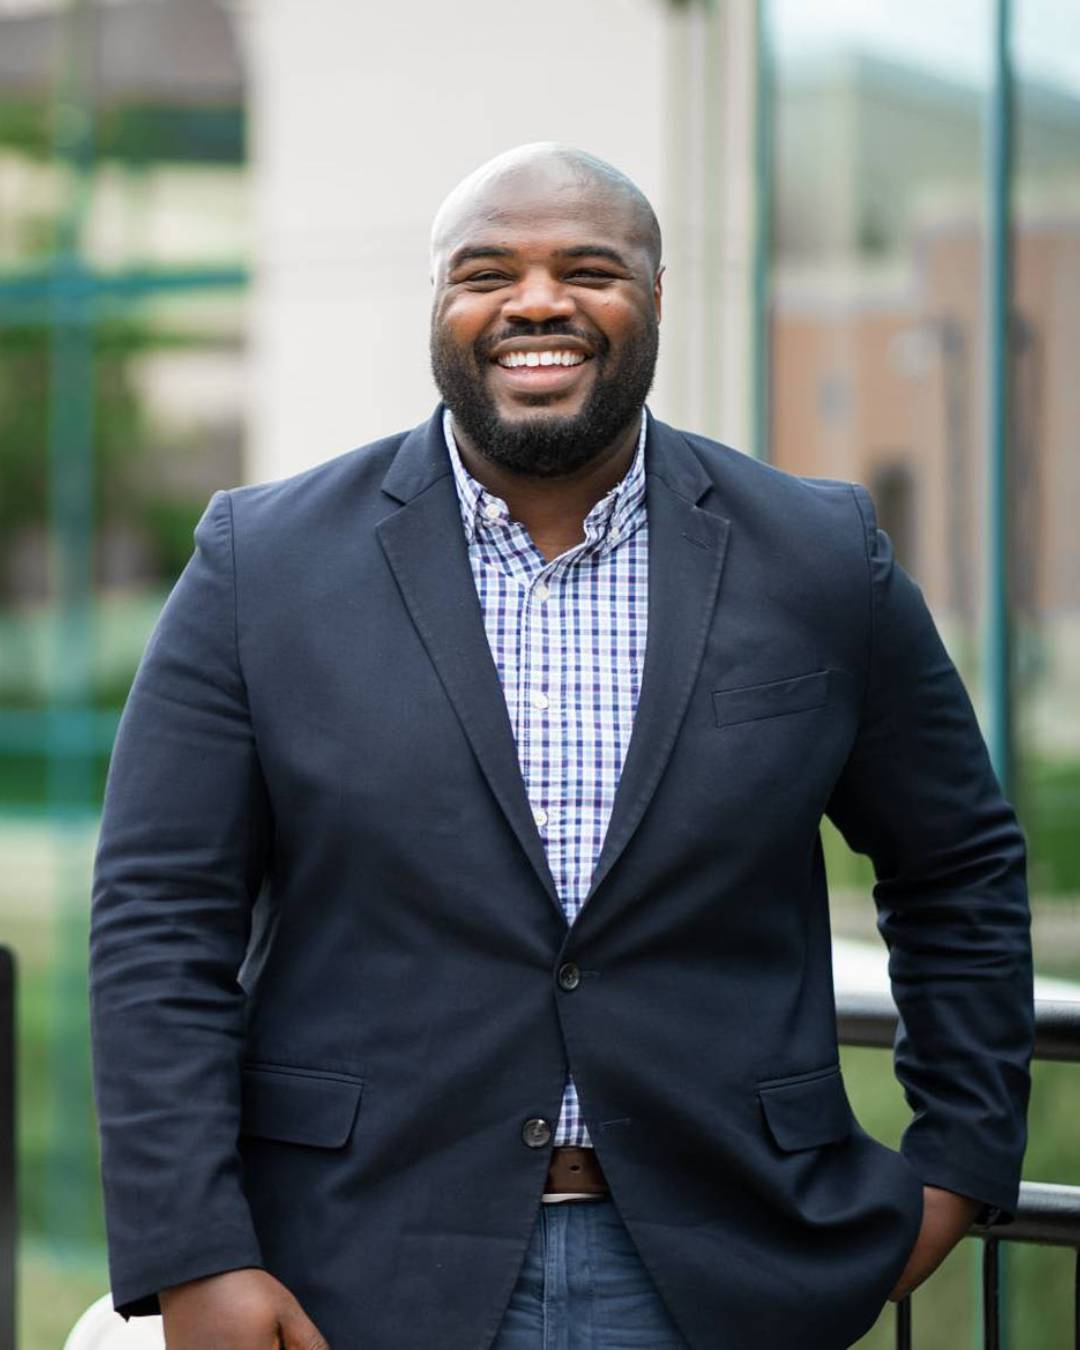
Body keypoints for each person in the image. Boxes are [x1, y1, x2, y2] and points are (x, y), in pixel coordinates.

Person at [89, 143, 1034, 1350]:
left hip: (733, 1270)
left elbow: (957, 869)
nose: (536, 302)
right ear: (439, 304)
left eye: (589, 269)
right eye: (487, 273)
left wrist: (959, 1160)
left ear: (655, 296)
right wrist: (196, 1254)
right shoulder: (258, 564)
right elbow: (159, 922)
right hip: (352, 1269)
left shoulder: (820, 557)